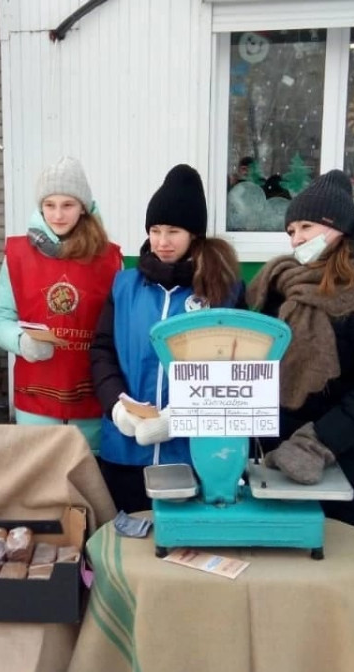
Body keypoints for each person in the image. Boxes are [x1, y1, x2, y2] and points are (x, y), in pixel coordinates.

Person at [247, 169, 354, 538]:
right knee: (283, 552)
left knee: (339, 551)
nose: (297, 239)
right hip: (278, 453)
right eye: (291, 231)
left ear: (338, 227)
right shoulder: (282, 283)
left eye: (306, 227)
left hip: (346, 454)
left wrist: (316, 443)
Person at [90, 164, 245, 513]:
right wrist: (117, 407)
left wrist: (180, 417)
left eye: (173, 231)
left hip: (194, 453)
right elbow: (102, 351)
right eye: (155, 230)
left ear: (194, 235)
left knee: (183, 540)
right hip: (126, 451)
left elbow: (237, 371)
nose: (162, 241)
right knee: (131, 537)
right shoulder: (124, 286)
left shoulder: (224, 291)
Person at [0, 157, 122, 452]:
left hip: (90, 398)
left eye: (68, 205)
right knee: (39, 478)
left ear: (83, 207)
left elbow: (118, 329)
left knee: (87, 477)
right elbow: (1, 318)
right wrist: (21, 341)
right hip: (35, 400)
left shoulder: (110, 259)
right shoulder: (17, 255)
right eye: (49, 205)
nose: (58, 214)